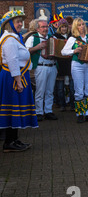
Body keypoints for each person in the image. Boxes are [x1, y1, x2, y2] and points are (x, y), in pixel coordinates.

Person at [0, 10, 37, 152]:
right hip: (13, 77)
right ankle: (9, 142)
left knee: (15, 106)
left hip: (16, 76)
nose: (20, 24)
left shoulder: (14, 38)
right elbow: (12, 60)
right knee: (12, 107)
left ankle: (13, 139)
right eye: (17, 21)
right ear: (9, 24)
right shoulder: (9, 40)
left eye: (21, 21)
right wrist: (19, 80)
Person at [61, 18, 88, 123]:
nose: (82, 27)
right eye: (79, 25)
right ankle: (80, 114)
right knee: (79, 90)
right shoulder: (73, 39)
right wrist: (74, 50)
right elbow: (63, 52)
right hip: (77, 65)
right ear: (76, 27)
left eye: (83, 24)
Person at [25, 17, 58, 121]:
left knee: (50, 90)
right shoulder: (33, 38)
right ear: (38, 29)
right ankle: (39, 112)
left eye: (46, 26)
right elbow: (25, 52)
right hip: (40, 67)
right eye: (43, 27)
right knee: (40, 91)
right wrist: (37, 47)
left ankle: (48, 111)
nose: (45, 29)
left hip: (52, 66)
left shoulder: (52, 37)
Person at [53, 16, 75, 112]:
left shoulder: (72, 37)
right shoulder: (55, 37)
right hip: (60, 63)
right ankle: (62, 104)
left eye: (65, 27)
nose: (64, 29)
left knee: (72, 87)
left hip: (70, 63)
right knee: (60, 87)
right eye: (62, 27)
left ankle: (72, 104)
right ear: (59, 28)